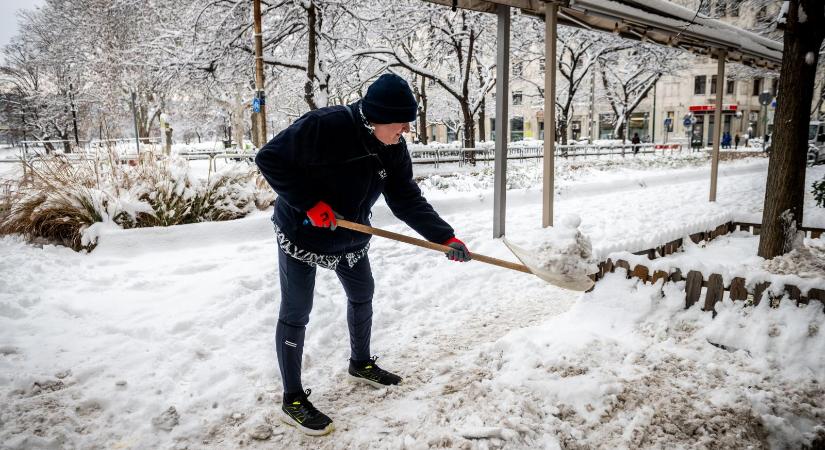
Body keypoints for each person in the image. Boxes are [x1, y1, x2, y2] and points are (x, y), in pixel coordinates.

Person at [255, 73, 471, 436]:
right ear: (377, 118)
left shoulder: (393, 147)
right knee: (297, 310)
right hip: (302, 231)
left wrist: (444, 237)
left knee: (362, 293)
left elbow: (405, 198)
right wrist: (309, 203)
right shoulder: (324, 125)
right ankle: (292, 399)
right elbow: (269, 158)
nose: (405, 130)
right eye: (400, 123)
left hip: (351, 233)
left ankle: (361, 364)